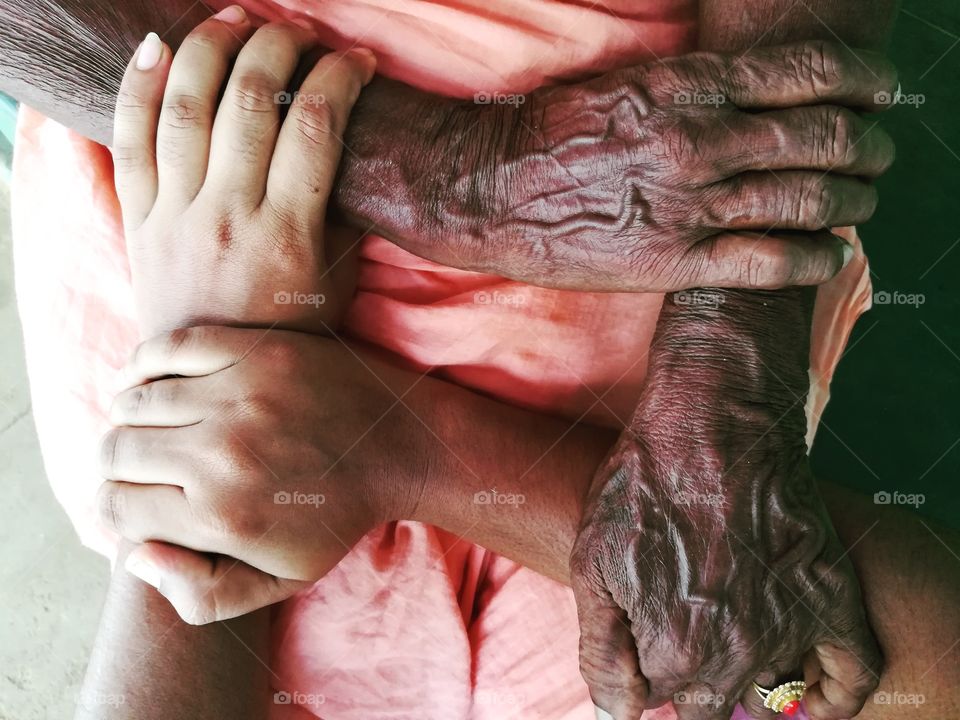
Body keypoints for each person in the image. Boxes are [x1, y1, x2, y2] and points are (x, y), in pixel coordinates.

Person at [2, 1, 957, 719]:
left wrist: (468, 177)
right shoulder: (658, 664)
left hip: (197, 132)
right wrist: (410, 447)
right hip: (654, 148)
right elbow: (911, 651)